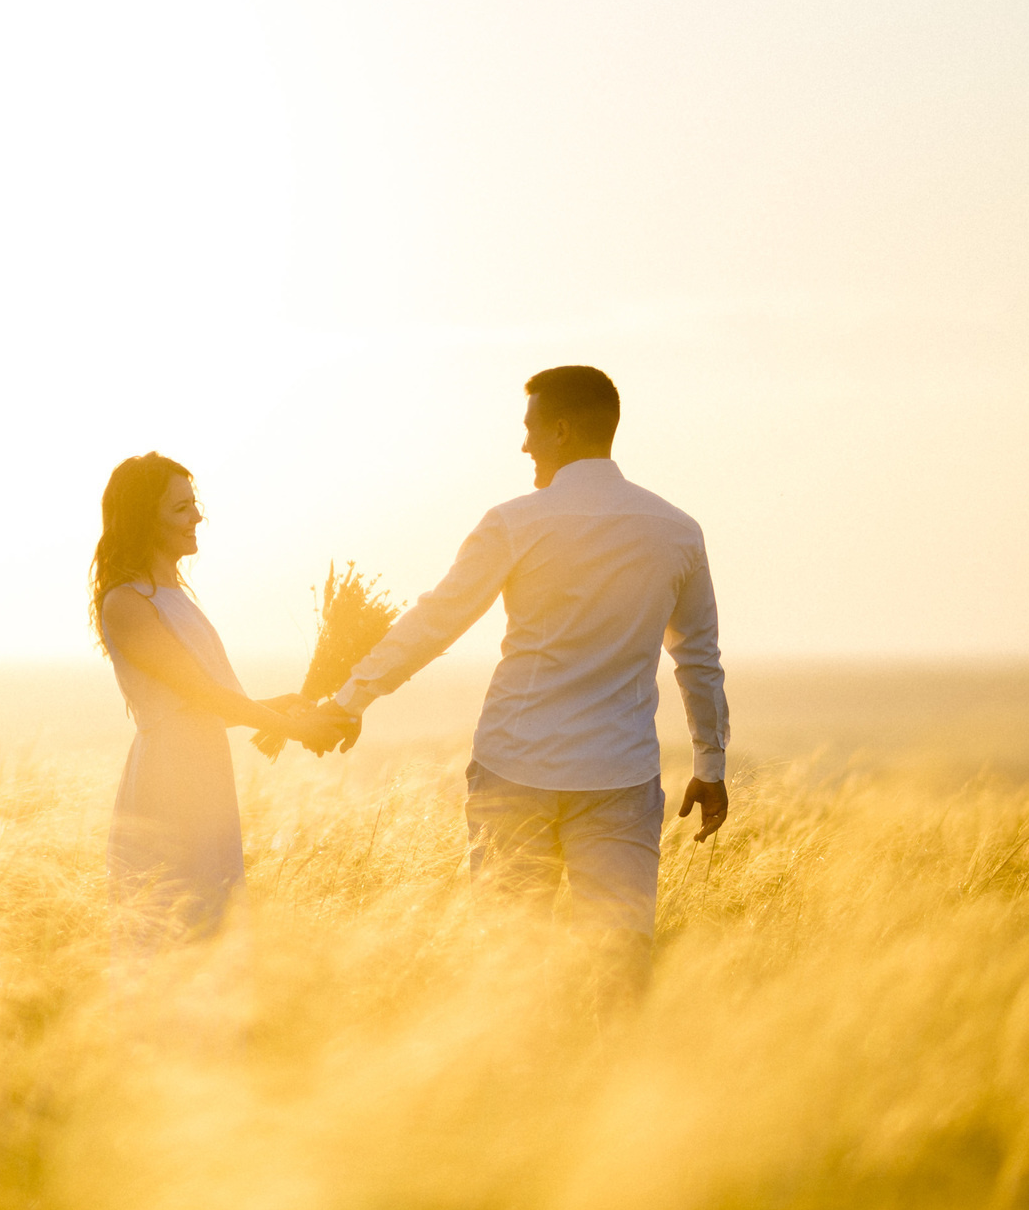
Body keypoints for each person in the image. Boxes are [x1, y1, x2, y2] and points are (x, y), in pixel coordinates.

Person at [287, 367, 731, 1002]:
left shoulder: (514, 522)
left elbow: (437, 621)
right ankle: (613, 1098)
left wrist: (348, 700)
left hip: (514, 769)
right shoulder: (676, 530)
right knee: (620, 966)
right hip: (619, 778)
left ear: (560, 427)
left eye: (529, 430)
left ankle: (521, 1096)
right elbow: (699, 657)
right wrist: (710, 762)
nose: (523, 446)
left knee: (509, 968)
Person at [93, 453, 329, 948]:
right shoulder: (127, 602)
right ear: (143, 517)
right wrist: (293, 728)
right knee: (172, 926)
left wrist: (280, 705)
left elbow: (199, 706)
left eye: (193, 504)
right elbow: (201, 693)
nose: (197, 517)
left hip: (202, 773)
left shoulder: (173, 595)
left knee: (210, 926)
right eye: (181, 508)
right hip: (169, 781)